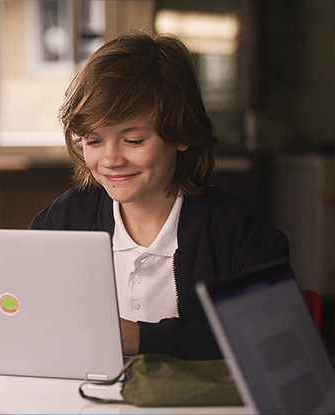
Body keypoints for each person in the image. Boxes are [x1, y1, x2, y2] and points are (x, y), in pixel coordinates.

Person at [30, 33, 289, 360]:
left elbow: (274, 343)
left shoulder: (239, 233)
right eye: (93, 141)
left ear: (182, 133)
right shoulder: (61, 221)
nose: (110, 159)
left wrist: (141, 338)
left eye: (134, 140)